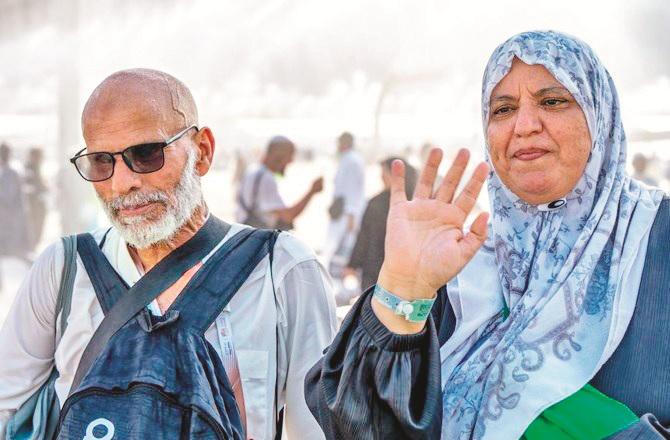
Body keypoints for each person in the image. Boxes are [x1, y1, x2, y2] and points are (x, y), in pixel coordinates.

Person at [306, 31, 670, 439]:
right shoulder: (462, 261)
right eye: (503, 109)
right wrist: (402, 291)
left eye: (552, 101)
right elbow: (357, 426)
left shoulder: (655, 238)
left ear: (599, 114)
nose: (525, 125)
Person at [0, 69, 337, 440]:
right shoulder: (64, 268)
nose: (121, 182)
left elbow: (319, 429)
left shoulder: (282, 269)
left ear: (203, 152)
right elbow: (7, 407)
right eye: (101, 162)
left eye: (146, 154)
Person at [344, 157, 418, 295]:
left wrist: (352, 265)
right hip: (408, 272)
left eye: (384, 173)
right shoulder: (415, 202)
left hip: (376, 271)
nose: (381, 177)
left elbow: (364, 237)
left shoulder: (376, 203)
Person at [236, 135, 323, 230]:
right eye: (289, 156)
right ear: (278, 156)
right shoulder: (266, 178)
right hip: (256, 238)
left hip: (246, 232)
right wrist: (312, 191)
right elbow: (288, 216)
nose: (291, 161)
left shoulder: (253, 170)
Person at [324, 132, 366, 277]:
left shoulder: (352, 161)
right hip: (341, 211)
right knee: (336, 249)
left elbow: (352, 190)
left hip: (348, 214)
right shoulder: (346, 159)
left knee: (345, 250)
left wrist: (351, 215)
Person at [0, 143, 30, 290]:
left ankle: (34, 273)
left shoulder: (11, 174)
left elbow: (8, 197)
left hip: (10, 223)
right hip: (5, 223)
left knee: (19, 253)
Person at [24, 147, 49, 252]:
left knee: (39, 225)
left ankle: (34, 246)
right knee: (35, 226)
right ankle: (32, 247)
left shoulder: (38, 167)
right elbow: (29, 186)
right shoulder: (28, 168)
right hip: (33, 204)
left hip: (40, 203)